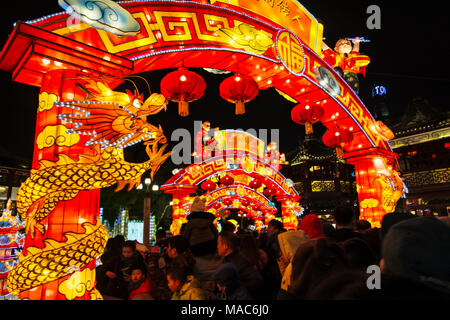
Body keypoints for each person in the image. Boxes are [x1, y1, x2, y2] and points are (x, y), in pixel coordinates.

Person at [217, 231, 264, 299]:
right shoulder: (227, 260)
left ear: (225, 246)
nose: (217, 246)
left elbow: (256, 281)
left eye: (218, 243)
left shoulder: (239, 261)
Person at [276, 229, 310, 299]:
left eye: (281, 249)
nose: (280, 254)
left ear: (288, 248)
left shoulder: (294, 268)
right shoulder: (309, 259)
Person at [262, 219, 285, 298]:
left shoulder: (275, 240)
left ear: (276, 229)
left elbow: (273, 255)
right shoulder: (281, 238)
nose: (268, 230)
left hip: (275, 271)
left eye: (270, 227)